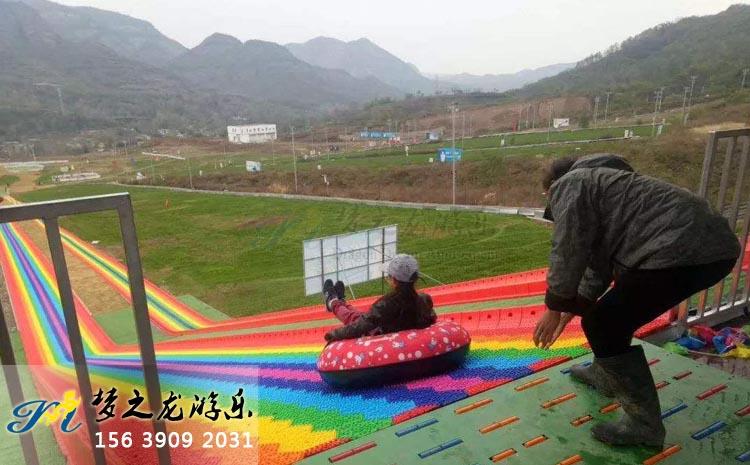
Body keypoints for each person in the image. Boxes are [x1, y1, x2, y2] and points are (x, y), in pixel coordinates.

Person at [534, 153, 740, 448]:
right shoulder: (605, 183)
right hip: (711, 250)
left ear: (554, 185)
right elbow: (597, 262)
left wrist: (555, 306)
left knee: (605, 323)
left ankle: (644, 425)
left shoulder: (573, 184)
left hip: (681, 252)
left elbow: (568, 248)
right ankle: (605, 374)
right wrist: (574, 302)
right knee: (612, 314)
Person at [323, 254, 437, 342]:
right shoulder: (424, 299)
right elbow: (431, 318)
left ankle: (333, 302)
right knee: (360, 316)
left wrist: (334, 334)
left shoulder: (387, 304)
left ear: (394, 280)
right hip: (382, 324)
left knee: (353, 317)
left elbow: (361, 326)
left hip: (380, 334)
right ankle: (341, 301)